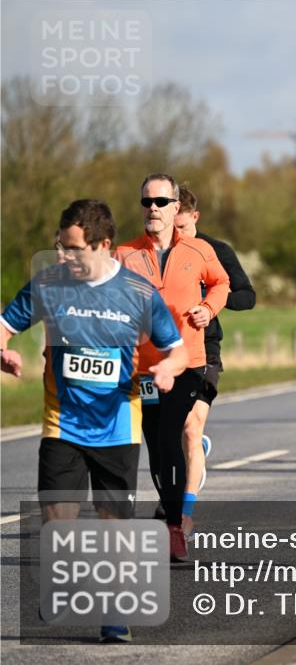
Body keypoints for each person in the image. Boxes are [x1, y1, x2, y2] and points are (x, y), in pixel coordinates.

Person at [1, 199, 187, 643]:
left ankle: (113, 615)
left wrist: (166, 369)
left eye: (72, 249)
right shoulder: (48, 285)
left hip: (117, 427)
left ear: (104, 246)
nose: (63, 257)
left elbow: (176, 348)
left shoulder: (139, 293)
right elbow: (4, 324)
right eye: (60, 247)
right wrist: (3, 349)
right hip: (61, 423)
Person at [114, 174, 230, 560]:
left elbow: (221, 283)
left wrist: (207, 309)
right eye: (147, 201)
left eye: (161, 202)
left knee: (170, 435)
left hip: (188, 363)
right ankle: (172, 512)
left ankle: (176, 525)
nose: (153, 208)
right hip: (144, 370)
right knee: (157, 449)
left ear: (176, 207)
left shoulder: (198, 250)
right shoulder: (124, 254)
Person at [172, 184, 256, 514]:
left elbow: (247, 296)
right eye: (170, 228)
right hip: (164, 350)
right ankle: (191, 462)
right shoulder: (156, 252)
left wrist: (209, 301)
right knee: (172, 431)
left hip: (205, 346)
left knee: (191, 427)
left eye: (182, 227)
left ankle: (183, 516)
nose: (176, 235)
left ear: (195, 216)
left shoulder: (215, 250)